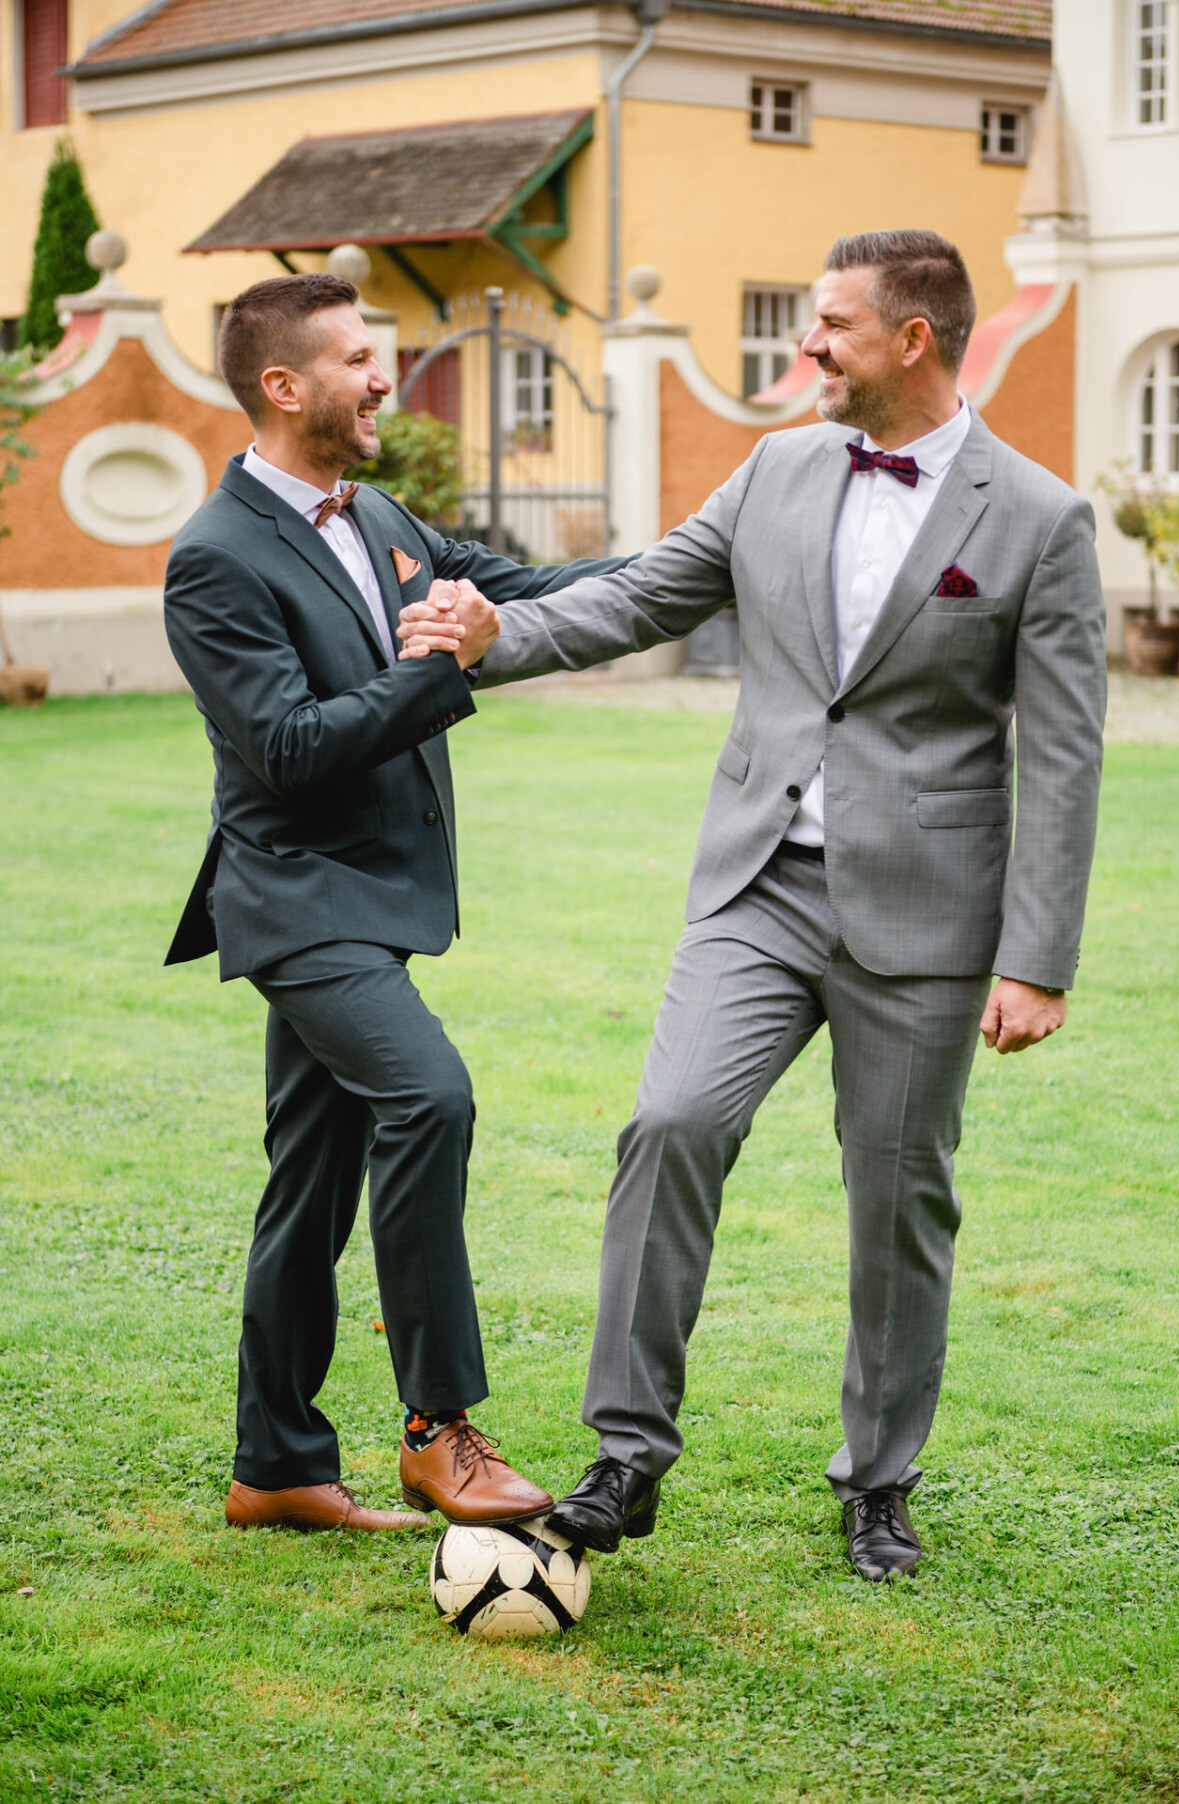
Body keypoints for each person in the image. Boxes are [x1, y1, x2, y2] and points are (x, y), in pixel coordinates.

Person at [397, 230, 1108, 1579]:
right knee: (670, 1123)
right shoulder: (779, 466)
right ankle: (626, 1458)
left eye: (830, 325)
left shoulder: (1038, 518)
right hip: (759, 886)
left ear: (913, 338)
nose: (806, 349)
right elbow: (648, 593)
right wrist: (500, 636)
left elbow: (1061, 754)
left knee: (898, 1198)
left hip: (929, 920)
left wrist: (1038, 957)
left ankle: (879, 1481)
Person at [163, 272, 623, 1533]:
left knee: (307, 1184)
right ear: (284, 384)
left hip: (371, 897)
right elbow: (293, 748)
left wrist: (714, 561)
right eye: (362, 357)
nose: (383, 378)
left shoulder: (373, 515)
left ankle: (277, 1468)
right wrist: (441, 664)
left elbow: (511, 587)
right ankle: (439, 1429)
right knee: (429, 1097)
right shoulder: (212, 558)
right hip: (298, 898)